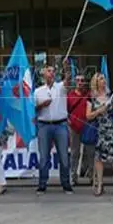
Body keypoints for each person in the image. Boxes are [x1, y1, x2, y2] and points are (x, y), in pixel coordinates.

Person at [34, 63, 72, 194]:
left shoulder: (61, 87)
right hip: (44, 125)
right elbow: (33, 110)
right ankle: (42, 184)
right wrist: (41, 105)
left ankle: (66, 184)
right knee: (44, 157)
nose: (51, 73)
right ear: (43, 74)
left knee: (64, 157)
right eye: (48, 71)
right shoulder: (38, 91)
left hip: (60, 125)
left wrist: (66, 67)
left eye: (53, 71)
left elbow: (68, 79)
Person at [85, 73, 113, 197]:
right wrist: (98, 111)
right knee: (99, 159)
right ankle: (100, 185)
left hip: (112, 130)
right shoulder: (91, 98)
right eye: (101, 78)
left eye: (104, 78)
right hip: (99, 131)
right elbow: (88, 116)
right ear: (96, 82)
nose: (103, 80)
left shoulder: (110, 96)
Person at [67, 74, 92, 185]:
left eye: (82, 80)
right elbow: (65, 111)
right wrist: (69, 122)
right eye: (78, 80)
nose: (80, 82)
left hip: (87, 128)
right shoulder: (70, 96)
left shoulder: (89, 95)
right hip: (74, 128)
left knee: (90, 153)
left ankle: (92, 176)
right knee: (74, 153)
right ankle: (73, 177)